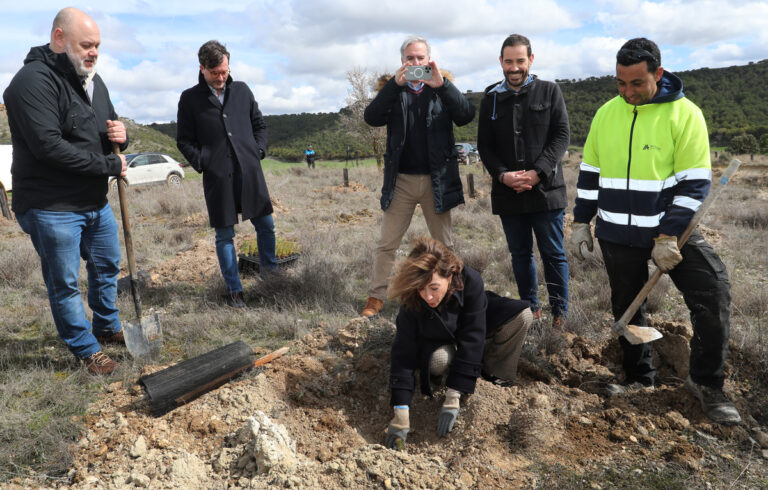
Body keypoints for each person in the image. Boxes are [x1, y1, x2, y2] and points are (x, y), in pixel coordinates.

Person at [568, 38, 740, 425]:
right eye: (620, 84)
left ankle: (707, 384)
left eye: (637, 84)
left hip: (671, 233)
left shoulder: (685, 115)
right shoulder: (605, 115)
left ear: (658, 74)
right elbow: (590, 175)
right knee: (627, 307)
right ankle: (639, 378)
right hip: (615, 233)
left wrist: (667, 236)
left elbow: (695, 184)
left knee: (713, 290)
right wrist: (582, 221)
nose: (628, 93)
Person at [3, 7, 128, 375]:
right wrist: (110, 166)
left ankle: (105, 326)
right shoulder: (30, 83)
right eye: (86, 44)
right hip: (51, 205)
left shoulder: (93, 80)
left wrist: (120, 135)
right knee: (65, 282)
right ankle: (86, 348)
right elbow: (49, 147)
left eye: (97, 46)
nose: (93, 53)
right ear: (59, 39)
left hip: (94, 201)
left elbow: (105, 133)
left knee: (107, 266)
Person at [360, 35, 476, 317]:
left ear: (429, 60)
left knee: (445, 245)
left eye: (420, 58)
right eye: (410, 58)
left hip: (437, 180)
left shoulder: (440, 88)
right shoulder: (394, 90)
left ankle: (452, 294)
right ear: (402, 62)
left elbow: (466, 115)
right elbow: (371, 117)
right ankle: (376, 299)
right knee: (386, 244)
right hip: (400, 181)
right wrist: (392, 86)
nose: (415, 63)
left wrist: (443, 85)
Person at [384, 237, 531, 449]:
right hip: (439, 340)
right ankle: (453, 372)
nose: (427, 296)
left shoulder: (470, 280)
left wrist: (453, 396)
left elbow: (473, 334)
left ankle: (496, 376)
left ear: (450, 275)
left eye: (434, 287)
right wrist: (400, 414)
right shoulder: (412, 298)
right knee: (439, 360)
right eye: (421, 289)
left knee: (522, 316)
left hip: (473, 324)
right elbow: (403, 352)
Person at [477, 34, 570, 329]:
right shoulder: (490, 99)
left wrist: (537, 171)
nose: (514, 67)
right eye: (508, 61)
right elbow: (485, 146)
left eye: (520, 61)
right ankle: (532, 310)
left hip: (546, 191)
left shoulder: (549, 91)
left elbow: (561, 136)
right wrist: (503, 175)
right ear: (500, 62)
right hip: (509, 193)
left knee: (553, 254)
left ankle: (560, 315)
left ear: (530, 60)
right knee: (520, 255)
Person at [177, 40, 277, 309]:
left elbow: (259, 124)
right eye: (215, 73)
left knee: (266, 226)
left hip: (250, 172)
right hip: (218, 177)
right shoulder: (190, 99)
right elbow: (184, 140)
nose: (221, 78)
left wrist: (258, 150)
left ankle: (271, 282)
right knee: (224, 236)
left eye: (224, 71)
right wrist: (205, 162)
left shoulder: (242, 90)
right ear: (202, 68)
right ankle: (235, 291)